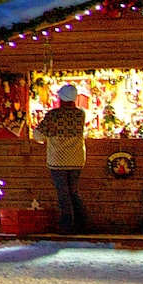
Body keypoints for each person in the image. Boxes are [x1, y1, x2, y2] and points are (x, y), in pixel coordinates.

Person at [34, 83, 88, 233]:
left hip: (58, 160)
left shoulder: (54, 115)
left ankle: (67, 228)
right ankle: (82, 225)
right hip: (77, 160)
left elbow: (38, 135)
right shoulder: (80, 114)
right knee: (74, 192)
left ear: (60, 98)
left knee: (63, 194)